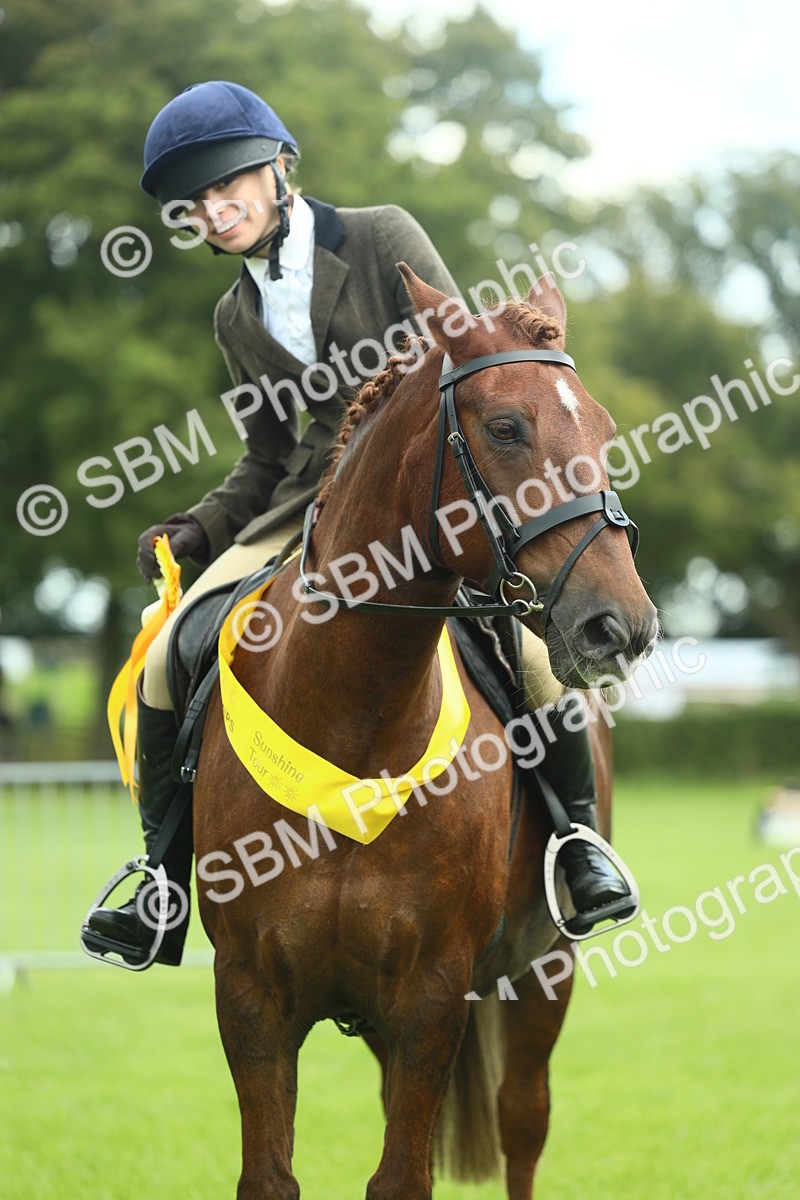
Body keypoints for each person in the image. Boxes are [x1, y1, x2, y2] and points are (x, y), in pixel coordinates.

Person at [86, 81, 633, 966]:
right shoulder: (234, 315)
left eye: (228, 187)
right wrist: (202, 526)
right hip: (307, 502)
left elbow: (474, 359)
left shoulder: (381, 234)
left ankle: (578, 845)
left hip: (428, 491)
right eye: (194, 206)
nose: (213, 212)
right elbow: (266, 457)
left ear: (278, 170)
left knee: (530, 654)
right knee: (167, 650)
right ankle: (159, 877)